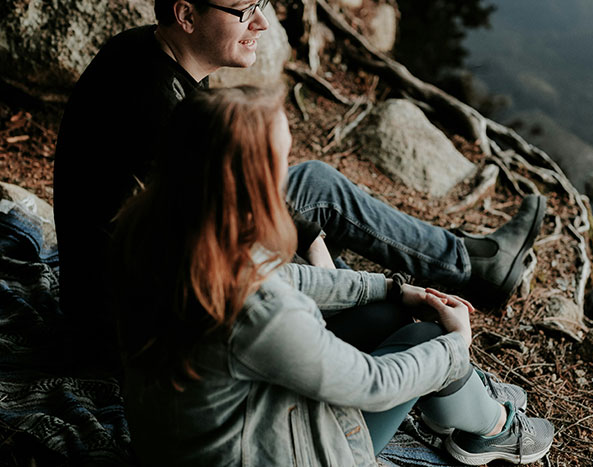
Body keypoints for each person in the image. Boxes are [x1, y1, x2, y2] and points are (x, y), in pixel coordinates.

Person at [54, 0, 545, 363]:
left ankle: (472, 264)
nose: (262, 24)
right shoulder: (154, 104)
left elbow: (228, 197)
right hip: (128, 326)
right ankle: (459, 278)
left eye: (260, 5)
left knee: (312, 188)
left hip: (145, 278)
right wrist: (318, 257)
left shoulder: (150, 54)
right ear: (186, 15)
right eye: (244, 11)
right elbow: (223, 238)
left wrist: (310, 239)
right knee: (316, 210)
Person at [111, 86, 554, 466]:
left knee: (388, 313)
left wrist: (393, 289)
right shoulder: (255, 311)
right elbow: (371, 384)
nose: (288, 176)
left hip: (196, 441)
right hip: (258, 451)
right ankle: (495, 428)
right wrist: (456, 345)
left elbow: (287, 278)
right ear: (248, 185)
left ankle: (457, 406)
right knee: (426, 343)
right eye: (280, 165)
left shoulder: (165, 233)